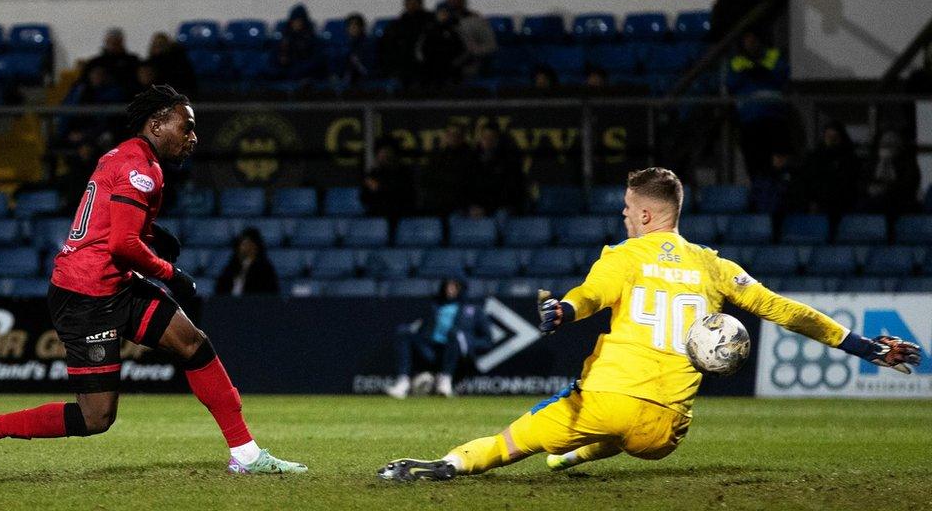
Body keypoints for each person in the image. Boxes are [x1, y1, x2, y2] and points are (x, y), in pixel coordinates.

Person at [379, 167, 921, 482]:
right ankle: (577, 453)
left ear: (644, 215)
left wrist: (565, 309)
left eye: (625, 207)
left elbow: (590, 295)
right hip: (665, 431)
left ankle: (444, 466)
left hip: (604, 401)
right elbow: (787, 311)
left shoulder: (626, 254)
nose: (621, 215)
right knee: (620, 434)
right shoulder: (715, 265)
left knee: (510, 442)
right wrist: (866, 348)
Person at [0, 85, 306, 477]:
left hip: (116, 285)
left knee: (192, 343)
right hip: (84, 295)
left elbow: (112, 226)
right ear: (157, 123)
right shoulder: (140, 169)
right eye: (187, 127)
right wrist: (171, 274)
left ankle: (246, 454)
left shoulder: (127, 156)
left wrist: (152, 231)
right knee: (96, 418)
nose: (193, 137)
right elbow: (123, 244)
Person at [386, 279, 491, 399]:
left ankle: (445, 380)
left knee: (454, 335)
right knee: (404, 332)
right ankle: (403, 382)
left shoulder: (474, 311)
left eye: (454, 287)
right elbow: (422, 329)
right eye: (448, 286)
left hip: (456, 354)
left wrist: (466, 342)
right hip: (432, 351)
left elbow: (487, 341)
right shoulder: (435, 307)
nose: (450, 290)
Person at [725, 31, 790, 181]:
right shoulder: (737, 61)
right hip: (750, 119)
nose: (750, 43)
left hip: (774, 116)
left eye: (753, 39)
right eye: (747, 40)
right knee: (755, 164)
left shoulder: (773, 56)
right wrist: (748, 74)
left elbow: (783, 74)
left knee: (778, 164)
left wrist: (763, 72)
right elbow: (731, 83)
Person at [799, 121, 861, 217]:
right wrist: (811, 201)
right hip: (819, 207)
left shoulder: (849, 159)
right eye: (828, 136)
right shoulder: (815, 158)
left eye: (835, 136)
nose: (832, 140)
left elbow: (852, 183)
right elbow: (807, 181)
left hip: (844, 208)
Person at [381, 0, 435, 88]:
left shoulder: (430, 21)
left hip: (426, 62)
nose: (412, 4)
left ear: (420, 3)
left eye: (415, 1)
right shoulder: (398, 23)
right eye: (409, 1)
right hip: (405, 63)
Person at [361, 139, 415, 228]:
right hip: (377, 216)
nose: (383, 156)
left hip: (400, 216)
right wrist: (371, 189)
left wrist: (379, 187)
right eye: (380, 153)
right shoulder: (374, 173)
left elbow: (406, 195)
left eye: (386, 152)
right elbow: (364, 198)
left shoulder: (403, 172)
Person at [445, 0, 497, 80]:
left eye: (456, 2)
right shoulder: (442, 24)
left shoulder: (477, 22)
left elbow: (491, 46)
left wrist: (474, 51)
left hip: (470, 62)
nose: (453, 5)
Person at [267, 4, 325, 82]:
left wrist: (300, 69)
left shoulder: (312, 39)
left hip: (306, 76)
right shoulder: (283, 38)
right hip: (284, 74)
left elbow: (316, 60)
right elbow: (275, 58)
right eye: (294, 21)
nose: (297, 23)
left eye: (300, 21)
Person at [215, 227, 279, 296]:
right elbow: (220, 291)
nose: (246, 248)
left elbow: (270, 293)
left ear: (257, 247)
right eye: (243, 244)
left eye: (250, 244)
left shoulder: (265, 270)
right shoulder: (230, 268)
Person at [85, 28, 142, 96]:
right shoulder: (95, 62)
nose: (113, 45)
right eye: (111, 42)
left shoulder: (132, 61)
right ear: (106, 42)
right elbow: (84, 81)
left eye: (116, 42)